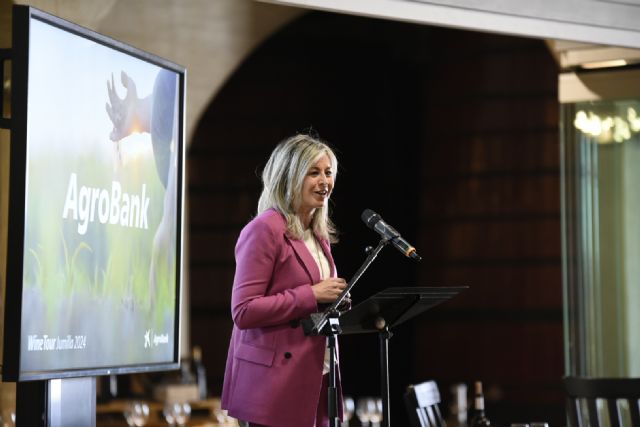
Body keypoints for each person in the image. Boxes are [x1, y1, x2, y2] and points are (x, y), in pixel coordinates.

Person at [221, 134, 349, 427]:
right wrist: (312, 294)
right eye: (313, 173)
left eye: (328, 172)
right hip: (273, 383)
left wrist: (334, 300)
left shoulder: (316, 233)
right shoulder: (264, 229)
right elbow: (243, 311)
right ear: (289, 177)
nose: (324, 182)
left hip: (318, 372)